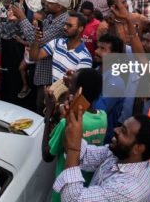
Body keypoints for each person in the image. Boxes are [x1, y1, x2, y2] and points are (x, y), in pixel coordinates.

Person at [53, 107, 150, 202]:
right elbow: (85, 155)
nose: (116, 130)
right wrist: (70, 122)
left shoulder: (127, 191)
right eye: (121, 126)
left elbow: (73, 199)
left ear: (138, 148)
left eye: (123, 131)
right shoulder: (123, 154)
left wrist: (73, 148)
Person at [43, 68, 107, 202]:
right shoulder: (102, 117)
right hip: (87, 186)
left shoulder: (68, 123)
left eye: (71, 85)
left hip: (64, 189)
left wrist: (48, 113)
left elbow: (47, 155)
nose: (67, 88)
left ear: (79, 91)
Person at [30, 11, 92, 84]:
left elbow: (78, 86)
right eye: (65, 24)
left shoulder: (85, 58)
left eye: (69, 25)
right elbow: (34, 57)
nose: (65, 27)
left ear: (80, 29)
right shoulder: (57, 42)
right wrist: (37, 40)